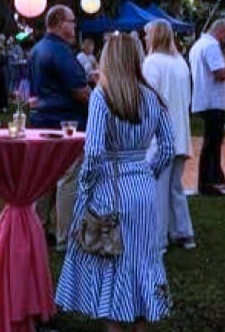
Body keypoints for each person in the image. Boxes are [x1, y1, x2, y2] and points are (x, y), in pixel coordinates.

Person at [56, 32, 176, 331]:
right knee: (143, 260)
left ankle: (114, 326)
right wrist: (147, 172)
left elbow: (94, 152)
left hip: (110, 188)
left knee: (111, 260)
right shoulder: (153, 97)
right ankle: (141, 323)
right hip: (143, 189)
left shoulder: (102, 96)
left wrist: (85, 189)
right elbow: (168, 148)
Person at [30, 5, 91, 251]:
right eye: (71, 21)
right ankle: (65, 236)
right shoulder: (61, 51)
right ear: (57, 22)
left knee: (43, 179)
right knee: (68, 177)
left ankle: (37, 230)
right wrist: (99, 99)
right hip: (66, 124)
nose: (75, 26)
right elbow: (80, 91)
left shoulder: (37, 49)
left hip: (41, 122)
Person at [143, 20, 196, 251]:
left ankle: (157, 240)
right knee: (175, 187)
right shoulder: (181, 64)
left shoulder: (152, 63)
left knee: (158, 189)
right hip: (181, 133)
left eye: (147, 34)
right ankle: (183, 232)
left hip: (160, 136)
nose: (145, 38)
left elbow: (148, 100)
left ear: (154, 36)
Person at [188, 19, 225, 196]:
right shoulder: (211, 46)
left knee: (215, 140)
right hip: (213, 100)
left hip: (204, 98)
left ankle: (216, 174)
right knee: (211, 142)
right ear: (221, 32)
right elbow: (219, 73)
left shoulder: (198, 45)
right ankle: (204, 182)